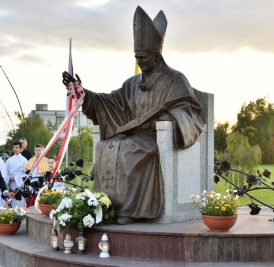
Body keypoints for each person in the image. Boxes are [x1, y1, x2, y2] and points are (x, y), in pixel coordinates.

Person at [62, 6, 204, 225]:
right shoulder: (131, 84)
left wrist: (168, 120)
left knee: (128, 151)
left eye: (144, 58)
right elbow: (111, 102)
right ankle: (105, 205)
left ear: (157, 56)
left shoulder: (175, 79)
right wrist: (84, 95)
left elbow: (190, 111)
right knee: (104, 147)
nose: (140, 62)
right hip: (132, 135)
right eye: (137, 57)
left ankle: (128, 210)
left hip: (153, 139)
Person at [5, 140, 27, 209]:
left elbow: (26, 174)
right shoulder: (9, 160)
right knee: (13, 202)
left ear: (20, 149)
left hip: (20, 184)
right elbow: (6, 172)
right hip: (11, 184)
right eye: (14, 147)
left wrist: (16, 178)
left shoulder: (24, 160)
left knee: (20, 203)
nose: (15, 149)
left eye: (17, 147)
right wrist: (9, 178)